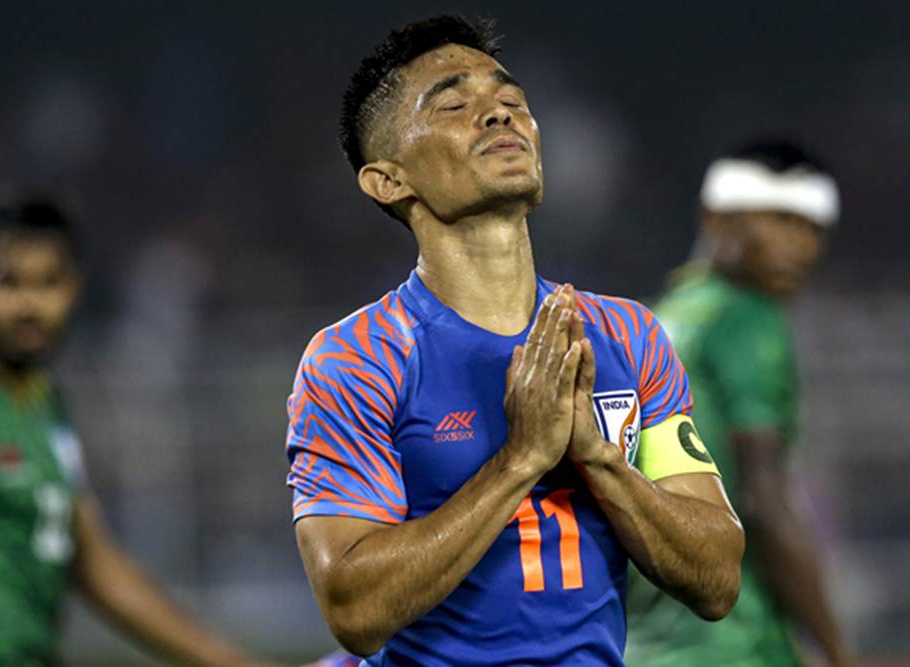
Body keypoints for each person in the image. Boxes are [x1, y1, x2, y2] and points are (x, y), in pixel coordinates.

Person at [286, 14, 745, 667]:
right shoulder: (357, 359)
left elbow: (718, 577)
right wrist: (520, 459)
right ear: (389, 180)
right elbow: (354, 611)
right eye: (453, 106)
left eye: (512, 101)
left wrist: (597, 458)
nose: (500, 114)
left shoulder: (628, 335)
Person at [0, 185, 282, 666]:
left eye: (49, 282)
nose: (30, 305)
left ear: (75, 288)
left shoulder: (42, 402)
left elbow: (95, 564)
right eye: (8, 282)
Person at [625, 139, 852, 667]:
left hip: (647, 642)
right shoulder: (748, 319)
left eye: (814, 229)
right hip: (734, 640)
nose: (801, 245)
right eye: (780, 220)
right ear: (717, 218)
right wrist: (836, 648)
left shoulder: (658, 319)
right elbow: (763, 500)